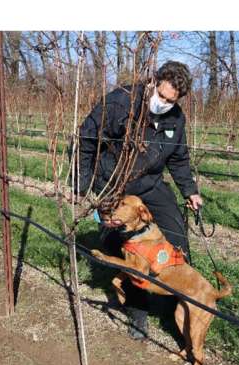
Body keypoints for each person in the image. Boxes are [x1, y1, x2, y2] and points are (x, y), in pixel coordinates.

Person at [76, 61, 202, 340]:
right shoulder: (121, 102)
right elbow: (87, 136)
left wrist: (190, 190)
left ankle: (177, 302)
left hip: (150, 182)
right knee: (123, 246)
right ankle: (137, 312)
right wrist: (83, 182)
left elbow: (179, 159)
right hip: (116, 182)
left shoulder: (176, 118)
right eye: (162, 96)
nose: (164, 104)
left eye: (171, 101)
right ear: (153, 82)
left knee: (175, 233)